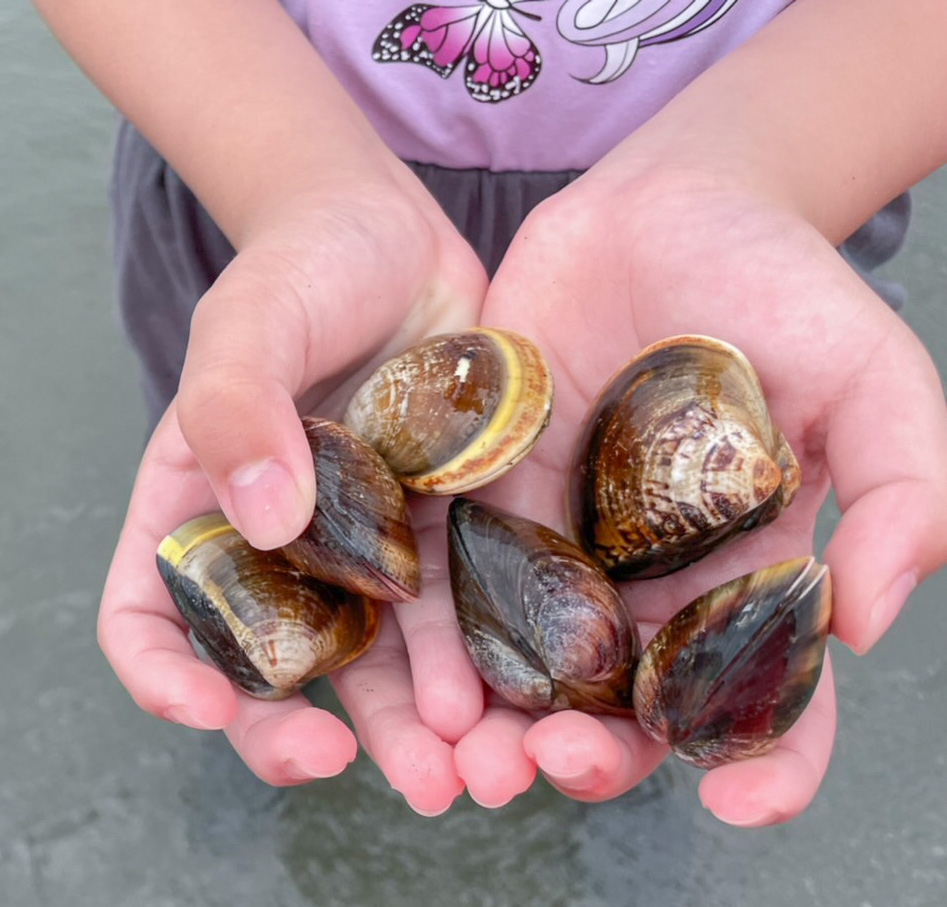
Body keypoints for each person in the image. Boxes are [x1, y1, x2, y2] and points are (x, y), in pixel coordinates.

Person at [32, 0, 947, 825]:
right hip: (258, 160)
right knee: (249, 456)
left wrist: (753, 174)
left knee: (609, 699)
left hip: (760, 187)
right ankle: (290, 715)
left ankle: (614, 748)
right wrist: (298, 186)